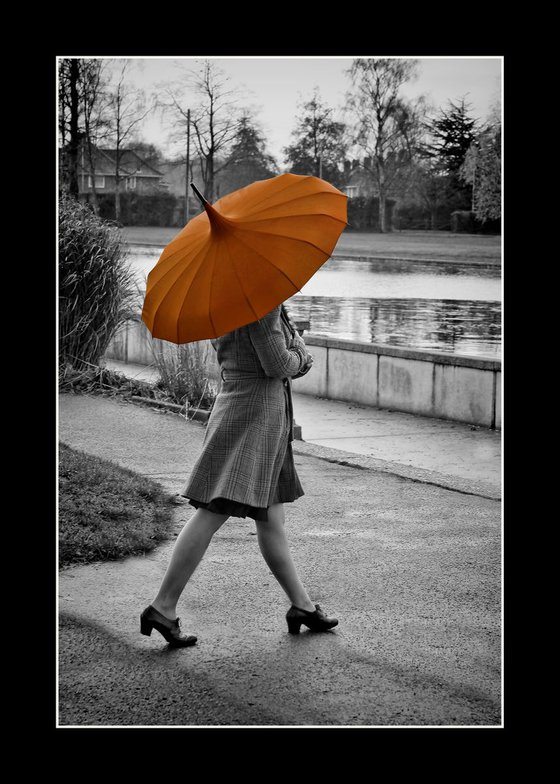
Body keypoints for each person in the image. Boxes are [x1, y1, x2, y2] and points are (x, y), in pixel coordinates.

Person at [140, 303, 338, 646]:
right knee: (213, 510)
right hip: (253, 418)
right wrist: (303, 352)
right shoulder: (259, 305)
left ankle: (302, 606)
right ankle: (163, 606)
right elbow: (279, 365)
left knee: (271, 518)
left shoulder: (224, 301)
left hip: (248, 411)